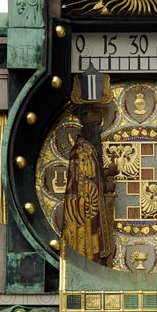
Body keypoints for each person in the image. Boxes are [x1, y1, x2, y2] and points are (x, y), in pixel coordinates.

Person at [61, 105, 116, 266]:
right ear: (89, 128)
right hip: (84, 209)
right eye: (97, 126)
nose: (99, 131)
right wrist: (106, 186)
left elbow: (93, 174)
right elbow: (84, 182)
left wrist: (106, 173)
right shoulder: (81, 150)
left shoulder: (90, 149)